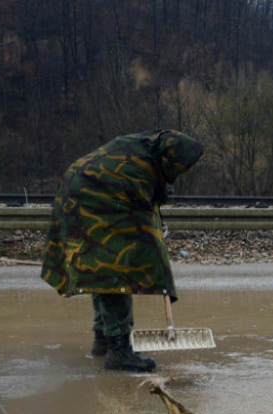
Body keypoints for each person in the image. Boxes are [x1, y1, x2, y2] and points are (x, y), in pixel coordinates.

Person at [41, 130, 204, 371]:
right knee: (116, 269)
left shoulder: (146, 147)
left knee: (99, 267)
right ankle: (118, 351)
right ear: (172, 160)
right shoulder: (140, 166)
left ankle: (104, 340)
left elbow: (146, 191)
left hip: (79, 188)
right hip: (92, 196)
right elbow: (141, 208)